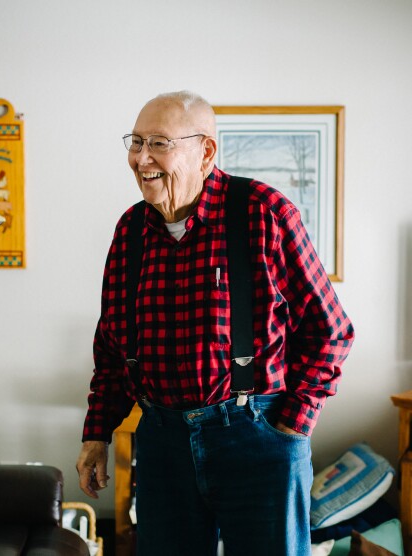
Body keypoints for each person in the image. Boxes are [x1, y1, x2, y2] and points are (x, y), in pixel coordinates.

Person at [75, 91, 354, 556]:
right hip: (163, 444)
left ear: (205, 152)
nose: (141, 157)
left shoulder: (263, 213)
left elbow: (330, 330)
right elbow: (111, 346)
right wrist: (97, 432)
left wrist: (293, 424)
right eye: (136, 141)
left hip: (258, 437)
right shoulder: (129, 231)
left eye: (159, 143)